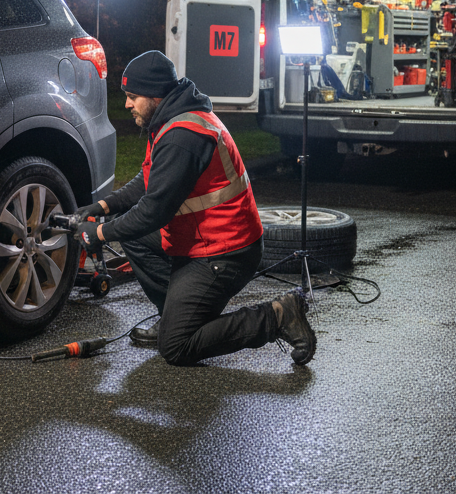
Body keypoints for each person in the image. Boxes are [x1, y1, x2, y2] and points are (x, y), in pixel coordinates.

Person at [74, 50, 317, 366]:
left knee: (176, 347)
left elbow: (153, 212)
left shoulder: (182, 136)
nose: (127, 104)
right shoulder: (170, 119)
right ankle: (174, 315)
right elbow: (148, 181)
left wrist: (100, 233)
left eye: (133, 96)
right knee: (133, 236)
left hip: (225, 253)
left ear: (156, 94)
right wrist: (103, 206)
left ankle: (278, 316)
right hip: (203, 240)